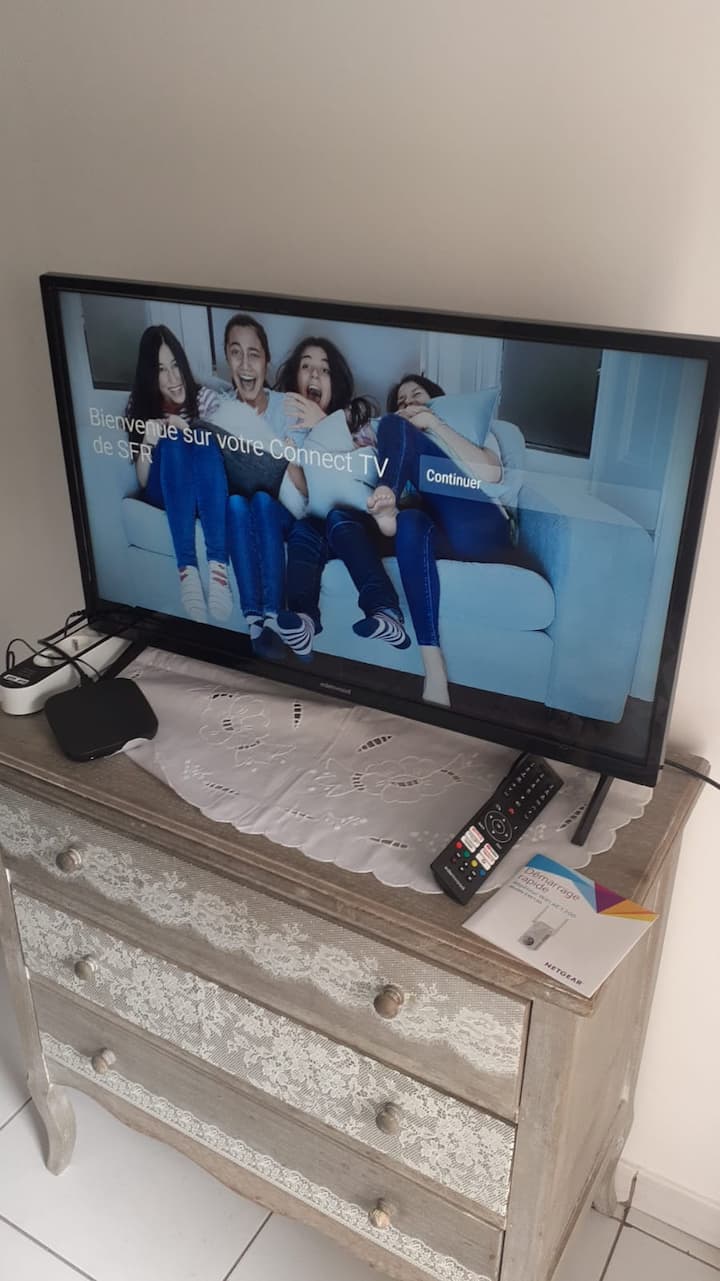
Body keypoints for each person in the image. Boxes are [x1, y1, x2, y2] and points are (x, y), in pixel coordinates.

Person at [366, 374, 512, 706]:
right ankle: (434, 670)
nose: (408, 404)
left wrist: (433, 424)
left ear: (437, 401)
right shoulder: (399, 443)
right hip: (438, 530)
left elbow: (490, 473)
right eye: (402, 402)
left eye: (416, 396)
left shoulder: (470, 429)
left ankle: (386, 493)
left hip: (480, 525)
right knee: (410, 522)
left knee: (393, 426)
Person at [271, 338, 411, 657]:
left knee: (337, 518)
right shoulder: (288, 429)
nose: (314, 375)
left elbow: (370, 469)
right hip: (322, 522)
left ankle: (387, 612)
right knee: (303, 529)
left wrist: (324, 425)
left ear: (336, 382)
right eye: (306, 366)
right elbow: (308, 493)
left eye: (324, 370)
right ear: (295, 377)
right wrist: (291, 460)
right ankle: (304, 620)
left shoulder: (356, 418)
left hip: (363, 521)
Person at [125, 325, 232, 624]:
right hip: (166, 491)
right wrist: (149, 442)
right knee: (170, 442)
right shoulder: (138, 406)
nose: (173, 378)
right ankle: (187, 570)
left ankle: (218, 569)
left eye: (175, 365)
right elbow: (143, 481)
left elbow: (222, 464)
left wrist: (187, 431)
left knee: (203, 437)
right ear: (150, 375)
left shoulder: (206, 399)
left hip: (206, 491)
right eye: (161, 370)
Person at [211, 314, 301, 654]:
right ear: (227, 357)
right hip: (239, 505)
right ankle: (254, 621)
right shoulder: (220, 410)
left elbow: (304, 493)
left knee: (262, 501)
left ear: (267, 360)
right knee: (235, 504)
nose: (246, 364)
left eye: (254, 354)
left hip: (281, 510)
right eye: (236, 353)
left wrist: (290, 459)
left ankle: (274, 614)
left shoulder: (286, 408)